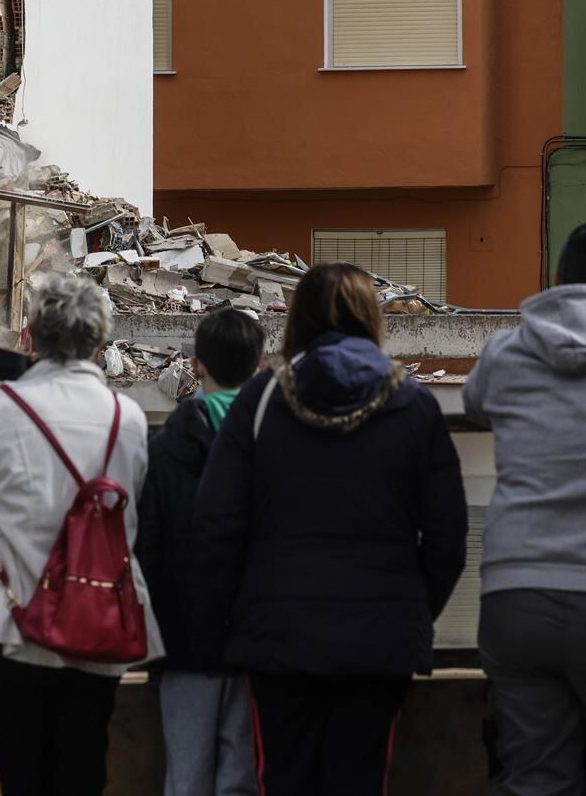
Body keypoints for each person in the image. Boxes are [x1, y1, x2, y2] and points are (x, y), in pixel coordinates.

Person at [198, 262, 467, 795]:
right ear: (372, 318)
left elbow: (214, 523)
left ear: (298, 320)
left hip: (278, 637)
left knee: (283, 777)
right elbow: (447, 536)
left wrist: (241, 612)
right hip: (379, 641)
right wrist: (409, 610)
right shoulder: (413, 404)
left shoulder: (262, 401)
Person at [0, 271, 161, 796]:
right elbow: (129, 516)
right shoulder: (129, 417)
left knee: (6, 779)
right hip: (94, 629)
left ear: (31, 337)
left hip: (5, 629)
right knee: (79, 777)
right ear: (99, 344)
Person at [465, 222, 586, 794]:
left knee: (537, 777)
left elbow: (475, 404)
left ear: (558, 279)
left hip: (518, 591)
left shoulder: (507, 352)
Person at [135, 308, 263, 796]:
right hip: (257, 639)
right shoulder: (274, 441)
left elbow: (147, 548)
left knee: (185, 780)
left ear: (198, 365)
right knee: (243, 781)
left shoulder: (166, 448)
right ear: (258, 366)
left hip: (184, 643)